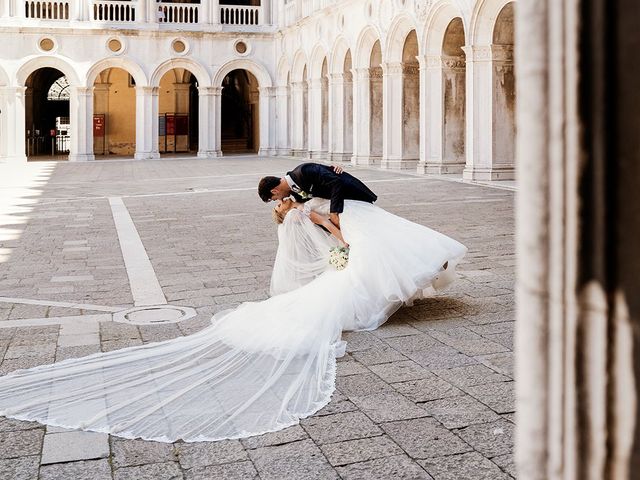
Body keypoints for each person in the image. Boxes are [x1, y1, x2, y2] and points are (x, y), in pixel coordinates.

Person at [0, 171, 466, 444]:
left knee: (327, 290)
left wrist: (332, 232)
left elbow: (311, 219)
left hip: (310, 267)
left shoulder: (285, 214)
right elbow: (329, 225)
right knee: (348, 284)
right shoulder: (301, 209)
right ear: (283, 196)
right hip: (331, 249)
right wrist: (347, 243)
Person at [258, 162, 377, 228]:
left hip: (353, 195)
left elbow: (335, 182)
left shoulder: (304, 171)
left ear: (274, 191)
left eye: (275, 199)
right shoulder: (295, 193)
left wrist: (333, 212)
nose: (281, 200)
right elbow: (311, 209)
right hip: (346, 210)